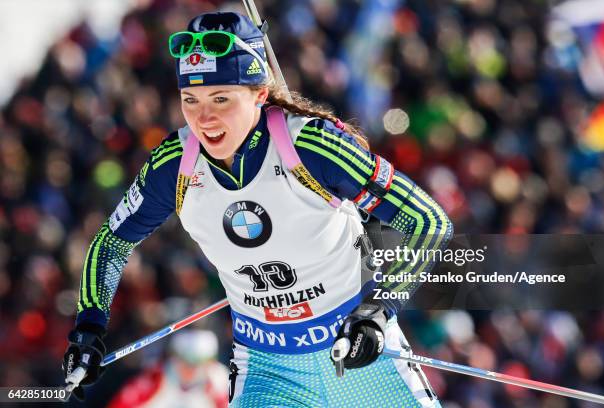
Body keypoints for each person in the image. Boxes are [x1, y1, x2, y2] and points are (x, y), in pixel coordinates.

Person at [62, 11, 453, 407]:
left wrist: (379, 310)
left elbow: (427, 220)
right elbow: (111, 243)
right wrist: (88, 328)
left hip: (356, 355)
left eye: (221, 99)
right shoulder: (175, 165)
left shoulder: (312, 147)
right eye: (190, 100)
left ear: (259, 94)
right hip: (270, 370)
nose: (204, 118)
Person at [107, 330, 228, 408]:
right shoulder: (152, 380)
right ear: (174, 357)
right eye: (186, 361)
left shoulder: (219, 382)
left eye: (198, 363)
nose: (191, 369)